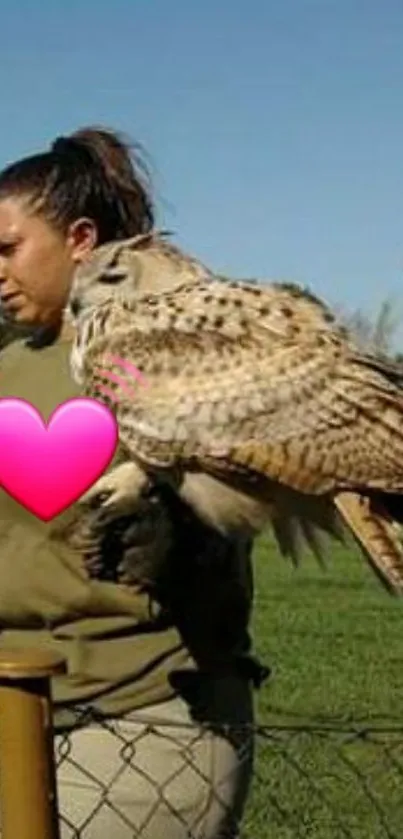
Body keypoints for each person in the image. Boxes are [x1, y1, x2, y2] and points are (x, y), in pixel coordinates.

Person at [0, 127, 268, 839]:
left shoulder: (155, 361)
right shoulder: (6, 369)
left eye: (8, 248)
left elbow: (223, 516)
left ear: (81, 239)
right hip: (17, 706)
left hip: (144, 717)